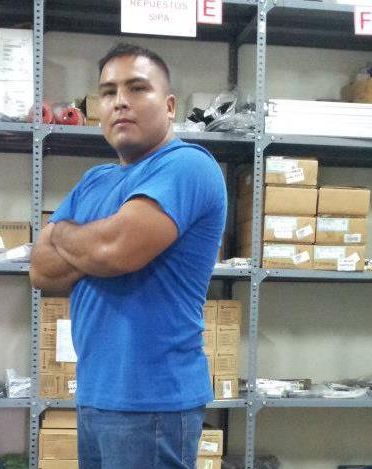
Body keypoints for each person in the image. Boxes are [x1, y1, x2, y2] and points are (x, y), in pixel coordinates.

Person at [30, 42, 227, 469]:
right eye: (108, 92)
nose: (120, 101)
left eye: (137, 88)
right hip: (96, 392)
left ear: (170, 106)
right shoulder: (94, 180)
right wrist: (88, 244)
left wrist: (62, 232)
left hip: (154, 402)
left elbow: (117, 251)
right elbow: (41, 270)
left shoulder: (188, 165)